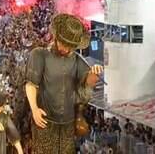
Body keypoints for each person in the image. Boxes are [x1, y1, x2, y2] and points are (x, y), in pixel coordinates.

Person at [25, 13, 103, 154]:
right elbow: (31, 84)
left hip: (68, 124)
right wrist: (34, 109)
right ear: (56, 38)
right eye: (63, 44)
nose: (66, 49)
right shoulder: (40, 55)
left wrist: (94, 75)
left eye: (70, 47)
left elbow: (86, 85)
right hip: (44, 121)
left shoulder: (77, 60)